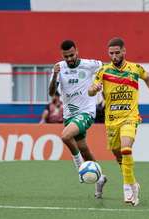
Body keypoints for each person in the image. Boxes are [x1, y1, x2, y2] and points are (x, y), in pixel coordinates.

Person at [88, 37, 149, 206]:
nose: (114, 56)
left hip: (130, 117)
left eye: (117, 52)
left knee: (125, 149)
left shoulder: (135, 68)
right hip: (111, 120)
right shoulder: (103, 71)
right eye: (111, 53)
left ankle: (128, 188)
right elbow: (90, 91)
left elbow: (148, 79)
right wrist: (93, 89)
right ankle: (133, 182)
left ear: (124, 51)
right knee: (119, 157)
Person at [48, 40, 107, 198]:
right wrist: (54, 75)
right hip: (69, 114)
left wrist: (99, 84)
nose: (69, 59)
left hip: (87, 112)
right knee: (83, 148)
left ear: (77, 51)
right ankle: (100, 178)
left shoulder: (89, 64)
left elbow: (107, 68)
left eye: (72, 55)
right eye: (66, 56)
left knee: (66, 136)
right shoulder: (59, 68)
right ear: (62, 55)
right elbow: (52, 93)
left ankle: (80, 167)